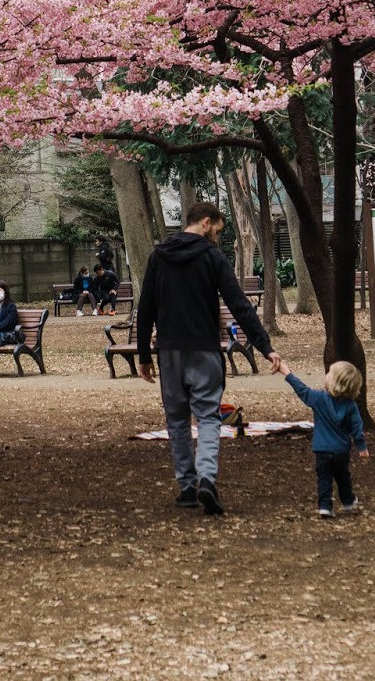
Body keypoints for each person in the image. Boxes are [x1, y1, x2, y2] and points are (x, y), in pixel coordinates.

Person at [136, 201, 282, 516]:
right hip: (204, 349)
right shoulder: (212, 258)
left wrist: (145, 355)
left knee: (176, 420)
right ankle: (206, 479)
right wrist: (265, 346)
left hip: (170, 352)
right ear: (205, 222)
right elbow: (239, 304)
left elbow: (145, 306)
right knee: (208, 417)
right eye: (216, 230)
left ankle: (187, 487)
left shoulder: (158, 257)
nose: (216, 237)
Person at [275, 360, 369, 518]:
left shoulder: (318, 398)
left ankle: (325, 506)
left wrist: (286, 372)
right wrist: (361, 447)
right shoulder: (351, 406)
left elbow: (302, 390)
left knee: (324, 478)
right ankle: (348, 501)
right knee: (343, 476)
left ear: (333, 381)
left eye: (329, 374)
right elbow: (357, 428)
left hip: (322, 449)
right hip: (341, 450)